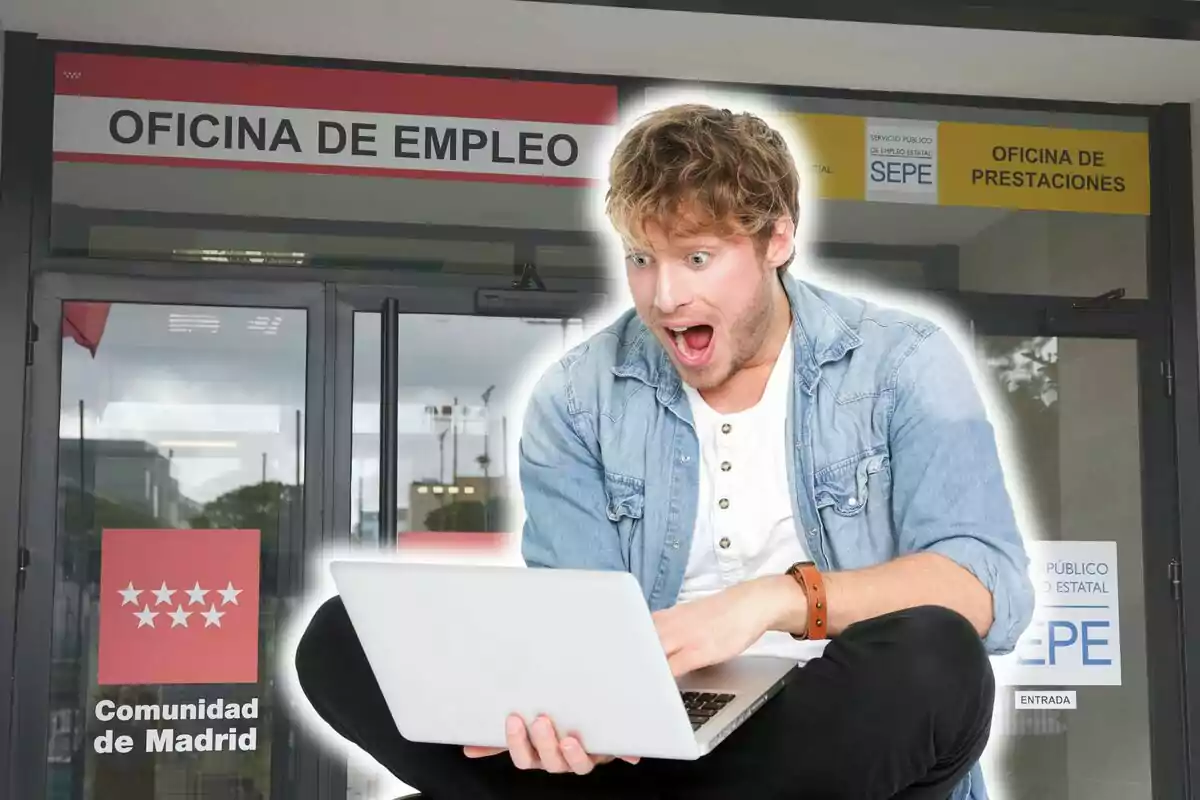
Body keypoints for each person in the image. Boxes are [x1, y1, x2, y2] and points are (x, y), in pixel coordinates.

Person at [295, 103, 1035, 799]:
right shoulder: (576, 397)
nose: (665, 296)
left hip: (830, 735)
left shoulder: (902, 362)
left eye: (698, 258)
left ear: (777, 239)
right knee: (339, 642)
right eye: (641, 259)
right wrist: (565, 713)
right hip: (641, 741)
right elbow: (580, 631)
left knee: (937, 654)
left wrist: (774, 601)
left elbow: (988, 589)